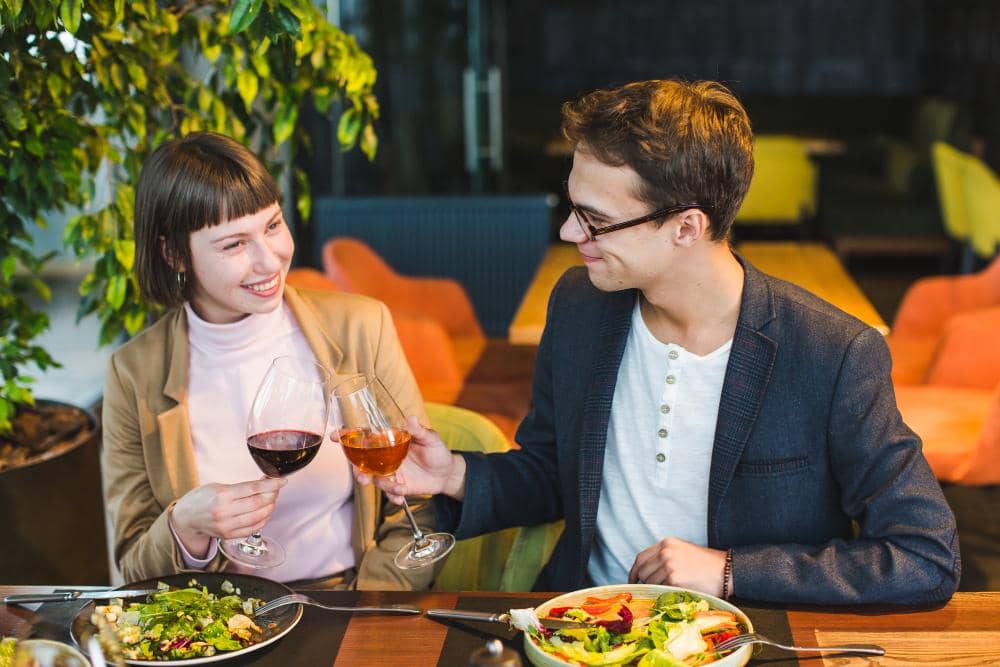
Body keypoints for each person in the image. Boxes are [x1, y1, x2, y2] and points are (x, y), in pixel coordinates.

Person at [362, 79, 962, 604]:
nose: (571, 232)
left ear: (686, 227)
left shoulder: (831, 353)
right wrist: (455, 476)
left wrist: (730, 572)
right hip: (582, 625)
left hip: (744, 639)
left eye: (594, 218)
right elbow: (556, 474)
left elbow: (925, 557)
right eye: (572, 208)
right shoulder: (579, 307)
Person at [102, 131, 435, 590]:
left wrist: (366, 610)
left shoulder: (360, 327)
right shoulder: (133, 373)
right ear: (174, 253)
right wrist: (187, 527)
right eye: (234, 244)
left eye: (273, 225)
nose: (270, 261)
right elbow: (134, 565)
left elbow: (417, 502)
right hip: (221, 616)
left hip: (349, 598)